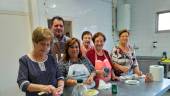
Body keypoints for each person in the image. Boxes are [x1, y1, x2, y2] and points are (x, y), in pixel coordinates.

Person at [17, 27, 64, 96]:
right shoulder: (25, 60)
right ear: (34, 42)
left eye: (48, 44)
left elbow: (60, 77)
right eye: (42, 44)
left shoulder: (51, 59)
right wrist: (44, 88)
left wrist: (60, 87)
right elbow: (22, 84)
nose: (45, 47)